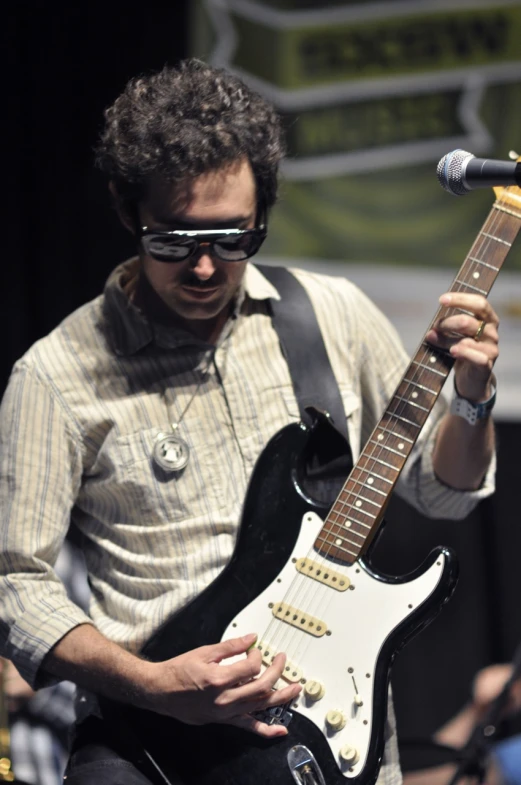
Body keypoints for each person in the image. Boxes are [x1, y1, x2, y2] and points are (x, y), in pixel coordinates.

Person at [0, 58, 499, 785]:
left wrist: (472, 397)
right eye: (173, 240)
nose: (204, 267)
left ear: (264, 211)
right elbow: (16, 582)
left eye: (234, 239)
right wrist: (151, 681)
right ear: (123, 208)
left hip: (338, 730)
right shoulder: (55, 374)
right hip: (153, 745)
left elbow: (442, 491)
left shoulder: (333, 316)